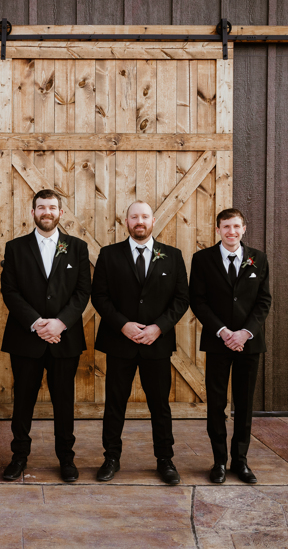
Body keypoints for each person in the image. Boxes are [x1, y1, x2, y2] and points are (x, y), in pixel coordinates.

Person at [91, 200, 189, 483]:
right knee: (115, 403)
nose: (139, 221)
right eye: (134, 216)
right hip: (120, 343)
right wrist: (122, 325)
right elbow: (100, 297)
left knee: (160, 405)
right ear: (126, 221)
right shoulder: (109, 255)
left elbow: (181, 299)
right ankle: (111, 458)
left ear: (153, 220)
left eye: (144, 216)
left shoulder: (172, 255)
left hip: (156, 343)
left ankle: (165, 460)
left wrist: (159, 327)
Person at [0, 189, 91, 483]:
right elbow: (10, 292)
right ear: (33, 212)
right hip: (26, 338)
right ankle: (18, 457)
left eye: (52, 207)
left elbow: (82, 292)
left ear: (60, 213)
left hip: (64, 339)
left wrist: (60, 323)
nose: (47, 212)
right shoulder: (15, 248)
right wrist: (38, 323)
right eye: (41, 207)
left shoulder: (77, 248)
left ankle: (66, 458)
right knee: (22, 401)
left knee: (64, 402)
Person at [190, 208, 271, 484]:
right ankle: (219, 462)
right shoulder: (202, 260)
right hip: (217, 342)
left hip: (249, 343)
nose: (231, 232)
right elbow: (198, 300)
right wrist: (224, 332)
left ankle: (241, 461)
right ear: (218, 230)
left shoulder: (258, 259)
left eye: (236, 226)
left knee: (244, 403)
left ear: (244, 228)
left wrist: (245, 333)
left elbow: (263, 301)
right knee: (216, 403)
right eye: (226, 227)